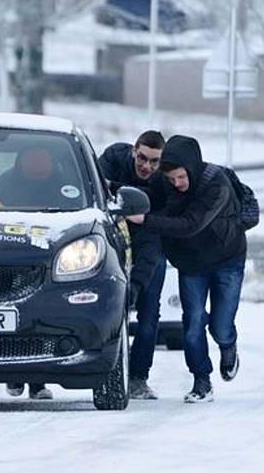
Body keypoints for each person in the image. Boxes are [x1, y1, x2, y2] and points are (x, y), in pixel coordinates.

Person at [126, 135, 245, 403]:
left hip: (227, 259)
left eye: (181, 178)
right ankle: (201, 381)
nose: (176, 184)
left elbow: (190, 224)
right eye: (171, 179)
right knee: (192, 323)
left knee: (220, 326)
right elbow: (147, 195)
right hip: (191, 263)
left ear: (191, 168)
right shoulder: (163, 180)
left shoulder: (216, 184)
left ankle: (228, 345)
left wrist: (145, 220)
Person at [99, 131, 166, 400]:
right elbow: (95, 185)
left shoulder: (162, 182)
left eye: (154, 161)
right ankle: (106, 371)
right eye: (142, 158)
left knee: (149, 313)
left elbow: (151, 243)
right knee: (110, 310)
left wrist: (136, 285)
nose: (146, 166)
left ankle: (139, 377)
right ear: (133, 151)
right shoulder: (114, 157)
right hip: (111, 244)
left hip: (149, 245)